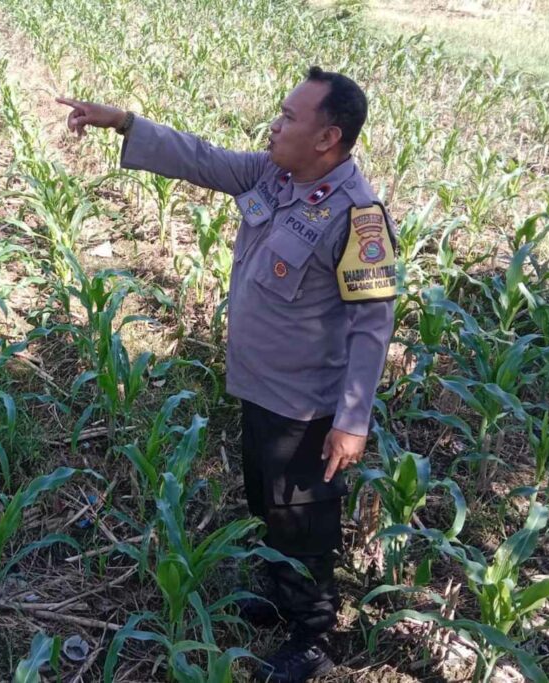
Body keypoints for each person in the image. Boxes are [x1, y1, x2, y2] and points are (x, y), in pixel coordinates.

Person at [57, 66, 396, 682]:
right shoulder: (274, 174)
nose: (275, 124)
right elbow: (201, 158)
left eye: (290, 117)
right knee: (266, 501)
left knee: (302, 517)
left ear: (328, 137)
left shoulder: (358, 215)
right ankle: (276, 590)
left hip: (307, 407)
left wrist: (352, 419)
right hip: (258, 389)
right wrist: (125, 122)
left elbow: (372, 325)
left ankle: (312, 636)